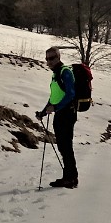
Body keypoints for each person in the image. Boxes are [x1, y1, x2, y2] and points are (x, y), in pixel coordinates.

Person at [36, 46, 78, 189]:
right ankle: (69, 177)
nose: (49, 61)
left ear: (59, 57)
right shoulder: (56, 74)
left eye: (52, 58)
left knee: (66, 146)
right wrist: (43, 112)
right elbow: (54, 97)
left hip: (67, 113)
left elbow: (70, 94)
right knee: (63, 146)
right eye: (47, 59)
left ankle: (71, 178)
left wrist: (55, 107)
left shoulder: (65, 72)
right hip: (61, 113)